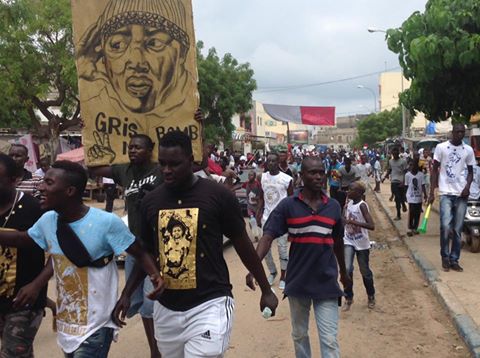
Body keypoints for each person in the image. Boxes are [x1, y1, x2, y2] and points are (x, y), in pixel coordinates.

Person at [113, 130, 278, 357]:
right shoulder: (150, 202)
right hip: (167, 308)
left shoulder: (218, 196)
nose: (167, 170)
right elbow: (147, 254)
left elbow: (243, 245)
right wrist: (127, 293)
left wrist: (266, 289)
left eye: (175, 164)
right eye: (162, 164)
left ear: (191, 161)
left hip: (210, 304)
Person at [0, 160, 164, 357]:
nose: (41, 187)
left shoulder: (106, 223)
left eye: (49, 183)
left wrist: (133, 290)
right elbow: (21, 238)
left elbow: (141, 253)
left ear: (69, 191)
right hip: (67, 325)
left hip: (97, 325)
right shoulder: (48, 220)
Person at [247, 156, 350, 358]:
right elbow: (267, 237)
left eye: (321, 172)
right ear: (301, 176)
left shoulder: (333, 207)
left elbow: (338, 243)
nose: (319, 176)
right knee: (299, 335)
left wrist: (344, 275)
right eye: (313, 172)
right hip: (298, 282)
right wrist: (253, 267)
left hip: (326, 282)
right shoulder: (288, 206)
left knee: (329, 340)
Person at [88, 134, 163, 358]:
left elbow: (195, 161)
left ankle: (155, 351)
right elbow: (94, 167)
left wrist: (198, 123)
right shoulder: (124, 171)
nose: (132, 151)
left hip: (157, 247)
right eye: (130, 147)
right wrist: (89, 132)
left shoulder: (161, 170)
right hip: (135, 247)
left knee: (150, 304)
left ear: (150, 150)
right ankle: (158, 344)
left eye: (138, 148)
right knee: (137, 302)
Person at [77, 0, 193, 117]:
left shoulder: (188, 111)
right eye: (118, 45)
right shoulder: (100, 103)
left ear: (182, 52)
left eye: (154, 43)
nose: (137, 62)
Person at [0, 154, 47, 357]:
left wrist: (37, 285)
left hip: (23, 301)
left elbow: (59, 251)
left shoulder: (34, 209)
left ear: (14, 180)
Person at [429, 123, 475, 272]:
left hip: (461, 194)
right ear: (452, 132)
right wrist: (432, 191)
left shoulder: (468, 150)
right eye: (458, 132)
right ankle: (445, 256)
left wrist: (467, 187)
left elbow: (470, 172)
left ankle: (454, 259)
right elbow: (434, 170)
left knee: (457, 228)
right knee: (445, 226)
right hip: (445, 193)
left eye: (463, 132)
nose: (460, 134)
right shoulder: (441, 148)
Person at [256, 152, 293, 290]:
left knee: (282, 250)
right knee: (265, 250)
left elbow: (291, 201)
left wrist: (291, 221)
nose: (270, 163)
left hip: (282, 220)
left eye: (273, 161)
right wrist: (259, 213)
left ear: (278, 162)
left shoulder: (287, 179)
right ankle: (272, 272)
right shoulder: (263, 177)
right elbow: (261, 197)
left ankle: (284, 276)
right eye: (268, 161)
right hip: (266, 218)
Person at [343, 182, 375, 311]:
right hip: (348, 240)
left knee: (365, 271)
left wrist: (352, 222)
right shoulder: (349, 204)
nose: (348, 191)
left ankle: (371, 295)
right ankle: (348, 297)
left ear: (359, 193)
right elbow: (343, 219)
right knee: (347, 269)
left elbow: (371, 225)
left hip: (362, 243)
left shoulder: (362, 206)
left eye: (351, 189)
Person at [382, 147, 408, 220]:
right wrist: (384, 177)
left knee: (401, 196)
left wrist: (404, 182)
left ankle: (403, 204)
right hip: (393, 181)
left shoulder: (403, 161)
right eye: (393, 153)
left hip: (401, 181)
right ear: (392, 154)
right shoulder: (390, 161)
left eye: (396, 153)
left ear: (398, 153)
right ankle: (398, 214)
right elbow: (390, 170)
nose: (395, 154)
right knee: (397, 197)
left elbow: (405, 172)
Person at [405, 156, 427, 236]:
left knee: (417, 213)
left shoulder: (421, 175)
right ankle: (411, 227)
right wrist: (405, 196)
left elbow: (423, 185)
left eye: (414, 165)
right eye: (411, 165)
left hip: (419, 198)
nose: (413, 167)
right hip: (411, 197)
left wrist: (425, 195)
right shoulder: (407, 175)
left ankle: (415, 227)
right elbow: (406, 186)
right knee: (411, 212)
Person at [243, 171, 262, 241]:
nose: (249, 177)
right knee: (252, 220)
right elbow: (240, 186)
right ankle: (255, 236)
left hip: (257, 205)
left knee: (258, 221)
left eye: (251, 175)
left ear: (254, 176)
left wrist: (256, 198)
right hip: (249, 205)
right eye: (248, 175)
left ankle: (261, 234)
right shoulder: (246, 183)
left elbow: (261, 195)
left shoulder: (258, 184)